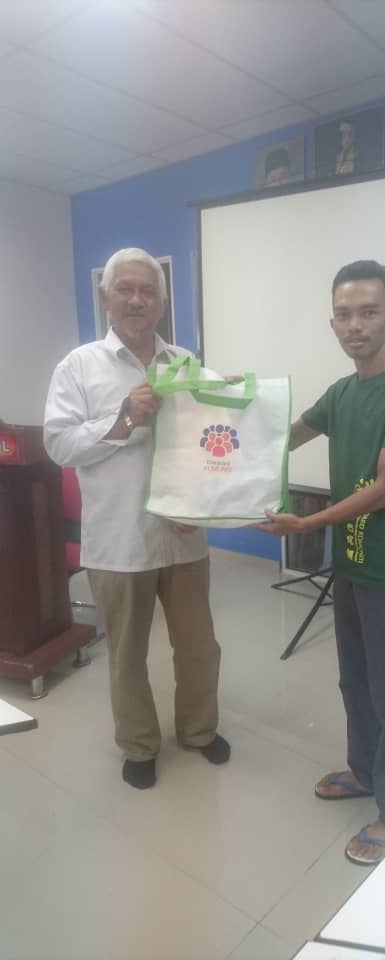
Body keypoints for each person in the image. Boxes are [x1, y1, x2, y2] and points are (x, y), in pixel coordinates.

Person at [257, 260, 385, 866]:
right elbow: (283, 437)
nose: (354, 325)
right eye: (343, 314)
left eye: (368, 312)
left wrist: (307, 525)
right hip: (352, 566)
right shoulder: (342, 392)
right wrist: (232, 409)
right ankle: (365, 771)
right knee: (355, 680)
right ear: (332, 322)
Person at [44, 247, 230, 790]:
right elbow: (59, 445)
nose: (136, 300)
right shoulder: (78, 366)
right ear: (106, 297)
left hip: (182, 537)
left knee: (199, 647)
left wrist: (200, 502)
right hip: (119, 541)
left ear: (162, 303)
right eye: (125, 289)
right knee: (127, 655)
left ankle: (198, 730)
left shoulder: (186, 363)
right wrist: (123, 418)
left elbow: (207, 444)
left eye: (148, 291)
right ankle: (139, 744)